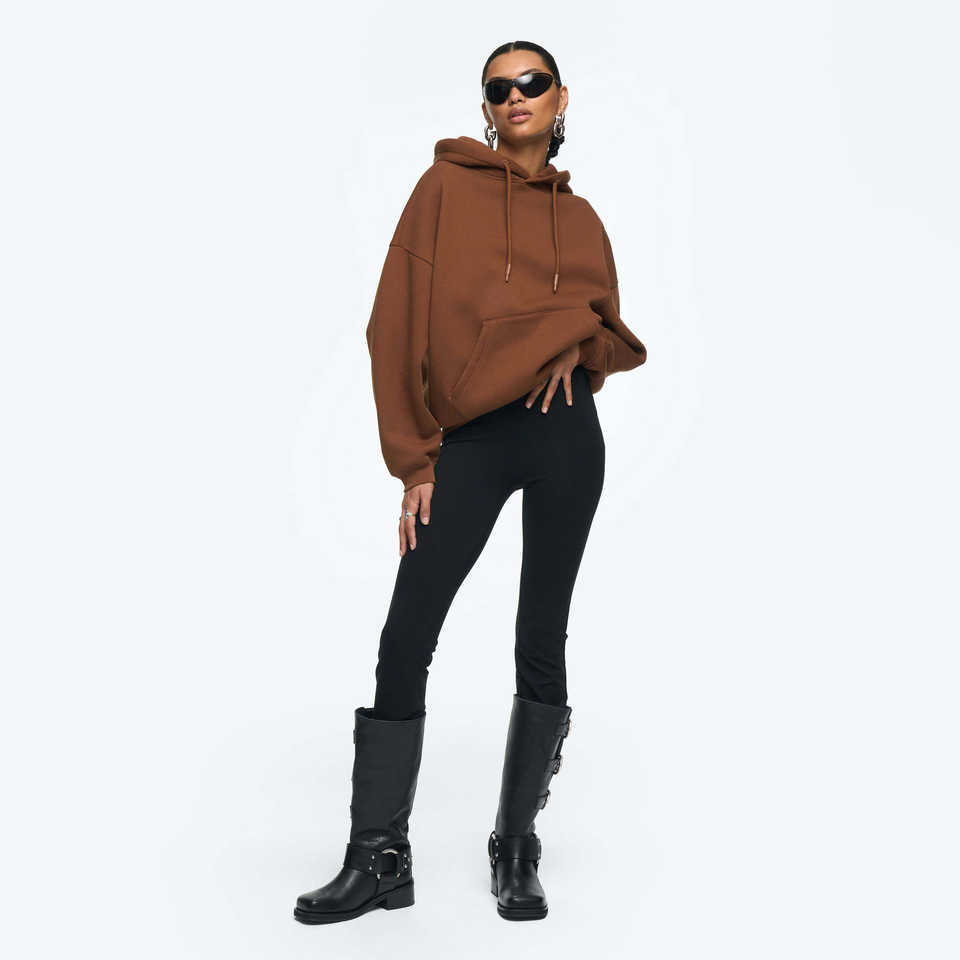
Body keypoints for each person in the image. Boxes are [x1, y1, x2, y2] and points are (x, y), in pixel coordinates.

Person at [294, 39, 646, 925]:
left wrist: (577, 347)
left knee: (542, 635)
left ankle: (516, 846)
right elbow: (391, 327)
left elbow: (611, 334)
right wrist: (414, 461)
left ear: (560, 99)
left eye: (532, 82)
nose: (515, 95)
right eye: (498, 87)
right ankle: (378, 856)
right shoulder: (443, 190)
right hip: (473, 439)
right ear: (485, 108)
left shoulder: (583, 219)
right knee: (407, 632)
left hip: (565, 433)